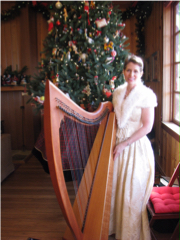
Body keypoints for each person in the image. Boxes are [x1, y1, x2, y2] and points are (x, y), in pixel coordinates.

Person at [109, 54, 157, 240]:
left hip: (135, 147)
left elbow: (147, 126)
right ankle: (114, 228)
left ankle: (130, 235)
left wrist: (124, 144)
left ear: (141, 73)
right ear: (123, 71)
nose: (131, 74)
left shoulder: (146, 95)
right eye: (128, 70)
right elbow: (116, 119)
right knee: (116, 189)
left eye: (136, 71)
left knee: (131, 193)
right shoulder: (118, 92)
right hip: (118, 145)